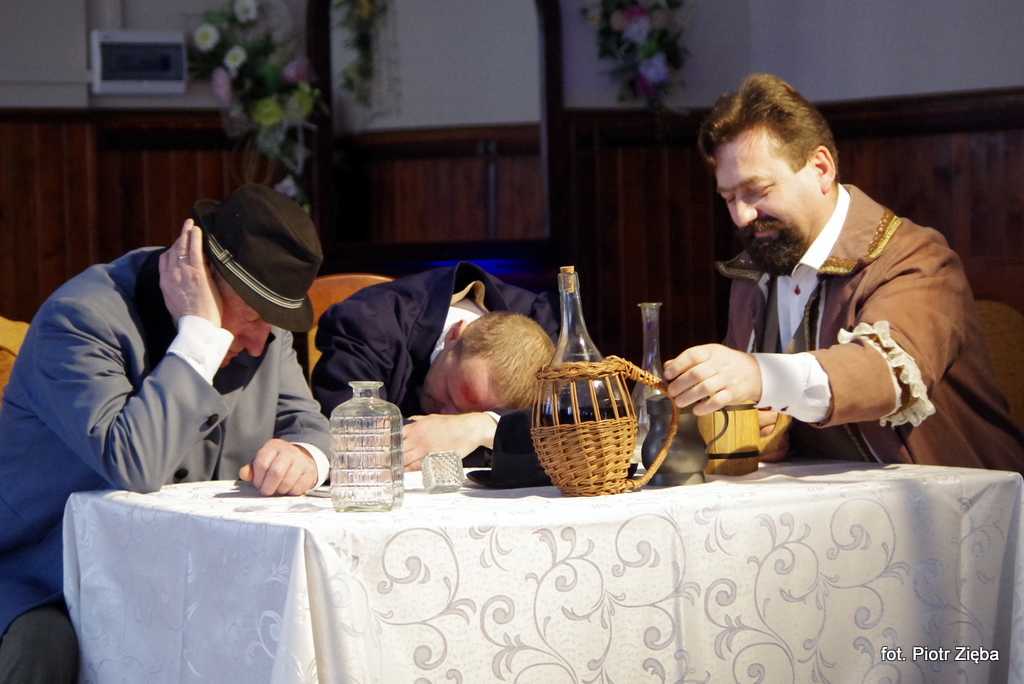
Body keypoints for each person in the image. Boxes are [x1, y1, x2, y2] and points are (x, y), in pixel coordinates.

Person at [0, 184, 331, 683]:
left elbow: (309, 425)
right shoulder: (80, 320)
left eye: (272, 323)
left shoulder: (263, 334)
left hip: (202, 570)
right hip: (49, 577)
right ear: (200, 275)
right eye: (251, 317)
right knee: (43, 646)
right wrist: (199, 337)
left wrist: (305, 455)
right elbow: (134, 463)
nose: (259, 341)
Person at [663, 73, 1024, 473]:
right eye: (730, 197)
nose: (743, 215)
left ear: (821, 168)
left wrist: (759, 375)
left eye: (757, 190)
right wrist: (767, 430)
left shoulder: (916, 258)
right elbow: (762, 411)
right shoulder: (754, 272)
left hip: (956, 498)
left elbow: (887, 375)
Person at [311, 262, 559, 469]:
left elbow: (573, 424)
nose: (446, 418)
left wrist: (480, 427)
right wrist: (500, 439)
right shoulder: (366, 323)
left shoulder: (551, 327)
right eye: (450, 393)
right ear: (454, 335)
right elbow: (356, 435)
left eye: (467, 414)